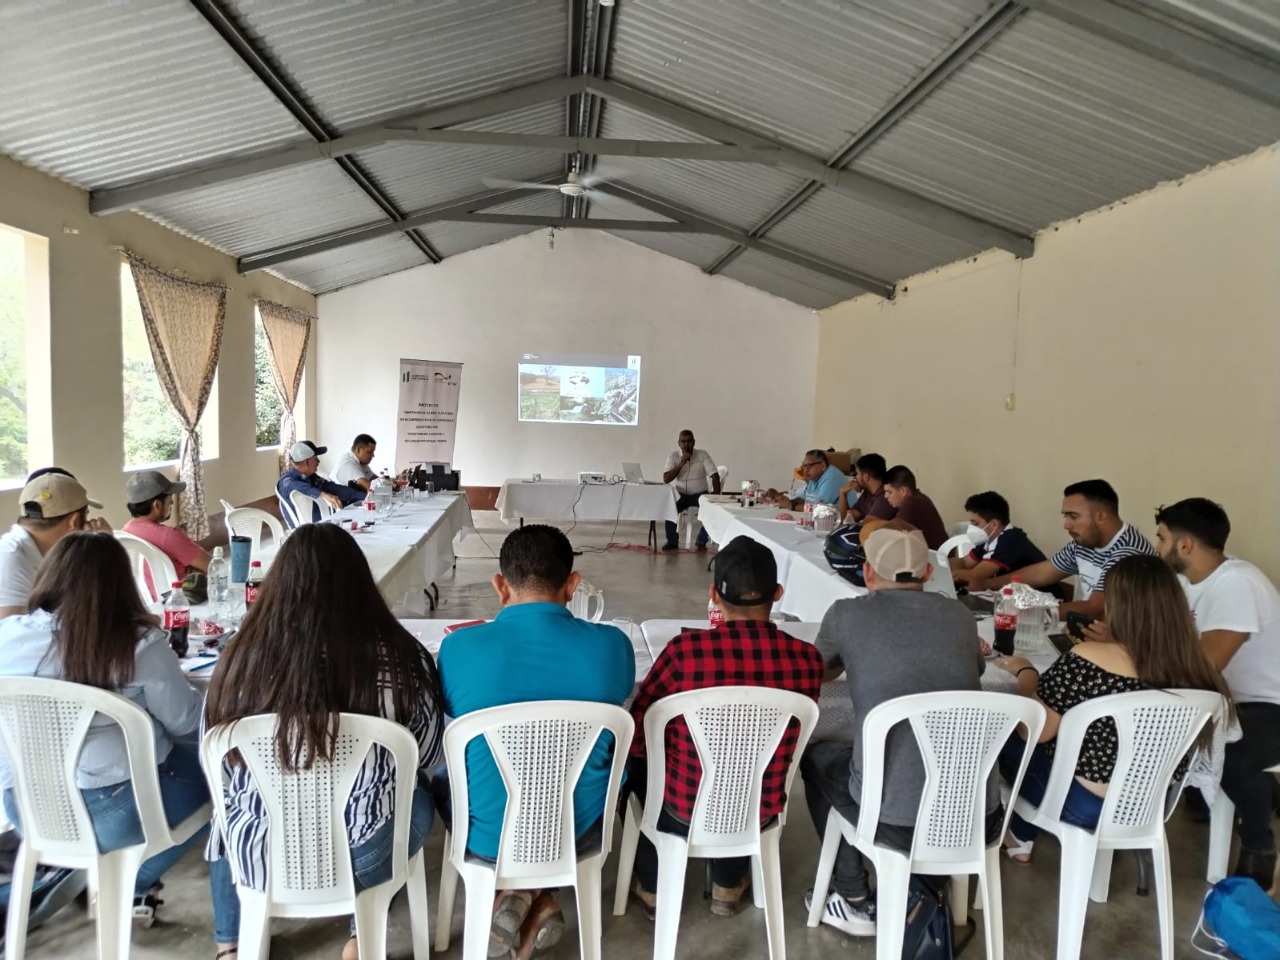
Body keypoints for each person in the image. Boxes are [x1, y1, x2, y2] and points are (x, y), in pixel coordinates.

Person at [204, 523, 444, 960]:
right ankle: (360, 934)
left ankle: (232, 945)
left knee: (231, 806)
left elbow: (217, 759)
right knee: (415, 792)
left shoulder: (238, 660)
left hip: (261, 850)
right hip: (364, 855)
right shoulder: (403, 659)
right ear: (361, 585)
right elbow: (426, 753)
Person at [436, 524, 634, 958]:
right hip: (577, 833)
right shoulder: (614, 647)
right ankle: (537, 895)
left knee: (440, 768)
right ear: (573, 586)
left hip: (487, 837)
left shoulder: (457, 649)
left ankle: (513, 895)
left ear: (500, 586)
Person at [0, 533, 207, 926]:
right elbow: (185, 722)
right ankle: (131, 881)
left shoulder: (6, 635)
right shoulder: (138, 643)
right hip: (114, 813)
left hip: (25, 804)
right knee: (220, 773)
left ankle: (87, 878)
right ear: (120, 583)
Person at [801, 528, 992, 937]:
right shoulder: (959, 615)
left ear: (867, 573)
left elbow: (820, 670)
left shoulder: (845, 613)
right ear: (927, 572)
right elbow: (974, 671)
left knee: (816, 755)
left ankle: (853, 897)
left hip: (893, 820)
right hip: (974, 813)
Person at [625, 537, 823, 918]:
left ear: (713, 595)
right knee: (747, 764)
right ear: (778, 593)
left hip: (680, 809)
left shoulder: (684, 653)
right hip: (759, 810)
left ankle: (652, 886)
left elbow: (640, 728)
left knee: (638, 763)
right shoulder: (807, 659)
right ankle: (728, 883)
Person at [994, 555, 1232, 864]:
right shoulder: (1195, 667)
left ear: (1118, 607)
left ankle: (1015, 835)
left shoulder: (1087, 658)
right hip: (1151, 805)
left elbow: (1034, 732)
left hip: (1084, 805)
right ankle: (1021, 836)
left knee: (1002, 736)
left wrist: (1027, 674)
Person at [1155, 498, 1280, 888]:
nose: (1156, 547)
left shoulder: (1237, 582)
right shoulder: (1183, 582)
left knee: (1230, 750)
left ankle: (1260, 846)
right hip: (1222, 700)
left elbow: (1207, 667)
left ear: (1185, 544)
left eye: (1161, 538)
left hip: (1266, 703)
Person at [976, 479, 1154, 618]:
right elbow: (1042, 572)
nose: (1066, 525)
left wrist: (1028, 614)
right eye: (1065, 516)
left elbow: (1096, 608)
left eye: (1073, 516)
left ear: (1100, 516)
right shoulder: (1085, 543)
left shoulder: (1129, 552)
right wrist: (986, 585)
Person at [0, 473, 109, 619]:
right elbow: (10, 636)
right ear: (74, 521)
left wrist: (96, 551)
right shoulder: (10, 558)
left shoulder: (45, 550)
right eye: (87, 513)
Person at [121, 470, 212, 594]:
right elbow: (213, 566)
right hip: (181, 602)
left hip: (148, 604)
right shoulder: (170, 536)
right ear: (157, 505)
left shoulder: (124, 533)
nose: (172, 502)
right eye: (170, 497)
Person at [951, 491, 1046, 587]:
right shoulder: (986, 539)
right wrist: (941, 563)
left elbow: (976, 575)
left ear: (994, 524)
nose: (971, 528)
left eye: (975, 524)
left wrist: (948, 574)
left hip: (1043, 596)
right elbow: (964, 562)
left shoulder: (1010, 540)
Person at [276, 440, 365, 527]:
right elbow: (289, 486)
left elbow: (333, 488)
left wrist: (365, 496)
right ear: (306, 461)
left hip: (325, 522)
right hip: (306, 531)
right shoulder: (287, 480)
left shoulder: (311, 476)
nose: (318, 461)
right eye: (315, 458)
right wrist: (321, 494)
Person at [661, 429, 721, 552]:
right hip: (681, 495)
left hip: (700, 494)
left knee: (713, 511)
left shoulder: (702, 455)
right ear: (679, 443)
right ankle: (672, 542)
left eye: (689, 441)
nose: (686, 444)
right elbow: (666, 479)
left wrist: (716, 497)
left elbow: (715, 475)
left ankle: (701, 541)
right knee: (670, 509)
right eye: (683, 441)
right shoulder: (674, 456)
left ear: (694, 442)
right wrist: (680, 464)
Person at [881, 465, 948, 550]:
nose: (885, 496)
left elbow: (893, 531)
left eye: (889, 492)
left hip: (935, 558)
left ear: (903, 491)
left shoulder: (912, 502)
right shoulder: (919, 497)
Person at [772, 450, 845, 510]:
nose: (805, 471)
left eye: (809, 466)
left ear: (823, 466)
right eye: (804, 466)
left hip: (841, 523)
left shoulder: (831, 478)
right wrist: (786, 500)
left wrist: (791, 506)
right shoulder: (814, 478)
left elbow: (820, 509)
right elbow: (806, 499)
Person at [836, 453, 896, 523]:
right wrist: (842, 493)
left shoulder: (885, 496)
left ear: (866, 477)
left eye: (857, 473)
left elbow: (866, 526)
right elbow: (845, 520)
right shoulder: (867, 493)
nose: (855, 477)